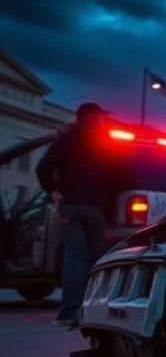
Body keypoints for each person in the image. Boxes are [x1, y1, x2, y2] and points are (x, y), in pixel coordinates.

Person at [35, 102, 112, 328]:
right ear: (98, 118)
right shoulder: (104, 142)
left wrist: (54, 190)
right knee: (97, 259)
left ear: (78, 117)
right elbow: (118, 175)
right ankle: (94, 310)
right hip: (95, 209)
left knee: (75, 256)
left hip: (69, 206)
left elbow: (43, 167)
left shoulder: (66, 139)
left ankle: (69, 311)